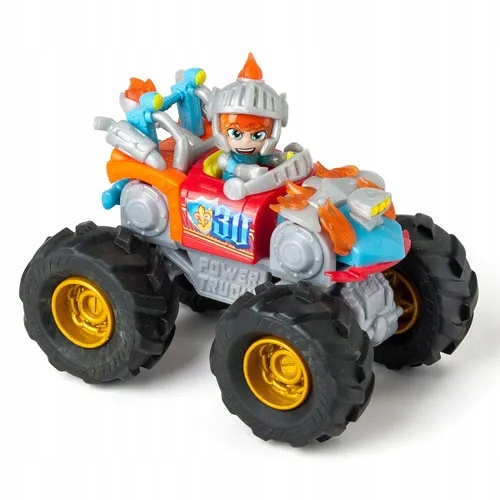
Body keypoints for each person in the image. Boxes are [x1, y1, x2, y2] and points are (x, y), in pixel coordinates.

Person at [208, 53, 292, 182]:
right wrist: (245, 171)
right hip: (229, 189)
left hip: (254, 187)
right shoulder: (226, 158)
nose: (246, 141)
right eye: (236, 134)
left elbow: (267, 159)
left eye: (257, 135)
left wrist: (282, 158)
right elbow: (227, 165)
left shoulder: (256, 154)